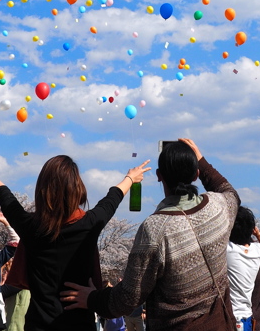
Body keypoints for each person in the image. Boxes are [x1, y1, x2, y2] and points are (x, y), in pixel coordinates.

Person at [0, 138, 148, 331]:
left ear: (42, 190)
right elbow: (112, 199)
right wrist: (130, 177)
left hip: (38, 324)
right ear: (78, 189)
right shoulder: (89, 224)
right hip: (79, 323)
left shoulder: (30, 227)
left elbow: (4, 195)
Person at [60, 138, 239, 330]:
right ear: (196, 175)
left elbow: (128, 298)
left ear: (159, 175)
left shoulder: (154, 229)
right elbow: (229, 192)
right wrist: (201, 160)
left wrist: (92, 299)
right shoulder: (219, 207)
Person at [225, 207, 260, 331]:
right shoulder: (258, 250)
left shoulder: (227, 250)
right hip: (246, 317)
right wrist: (258, 235)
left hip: (231, 317)